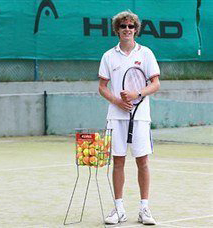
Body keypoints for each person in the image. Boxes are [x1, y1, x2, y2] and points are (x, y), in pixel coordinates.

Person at [98, 10, 160, 225]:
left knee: (142, 161)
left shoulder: (146, 54)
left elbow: (155, 83)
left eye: (130, 26)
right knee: (118, 162)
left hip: (141, 117)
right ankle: (118, 210)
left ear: (136, 30)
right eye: (123, 26)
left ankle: (144, 209)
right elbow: (102, 87)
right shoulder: (108, 56)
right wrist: (117, 101)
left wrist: (137, 94)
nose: (127, 29)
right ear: (117, 30)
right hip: (116, 117)